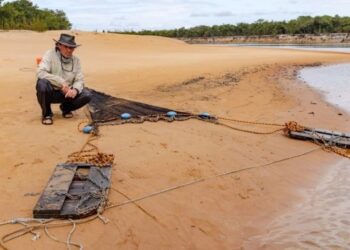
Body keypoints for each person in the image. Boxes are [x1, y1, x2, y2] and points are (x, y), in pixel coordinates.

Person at [36, 33, 91, 125]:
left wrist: (75, 90)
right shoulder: (49, 54)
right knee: (42, 84)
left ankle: (66, 108)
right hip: (51, 91)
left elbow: (79, 79)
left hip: (67, 94)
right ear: (59, 45)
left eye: (72, 47)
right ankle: (47, 114)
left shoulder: (76, 60)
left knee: (87, 95)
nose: (69, 50)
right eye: (66, 47)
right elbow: (40, 72)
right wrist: (61, 82)